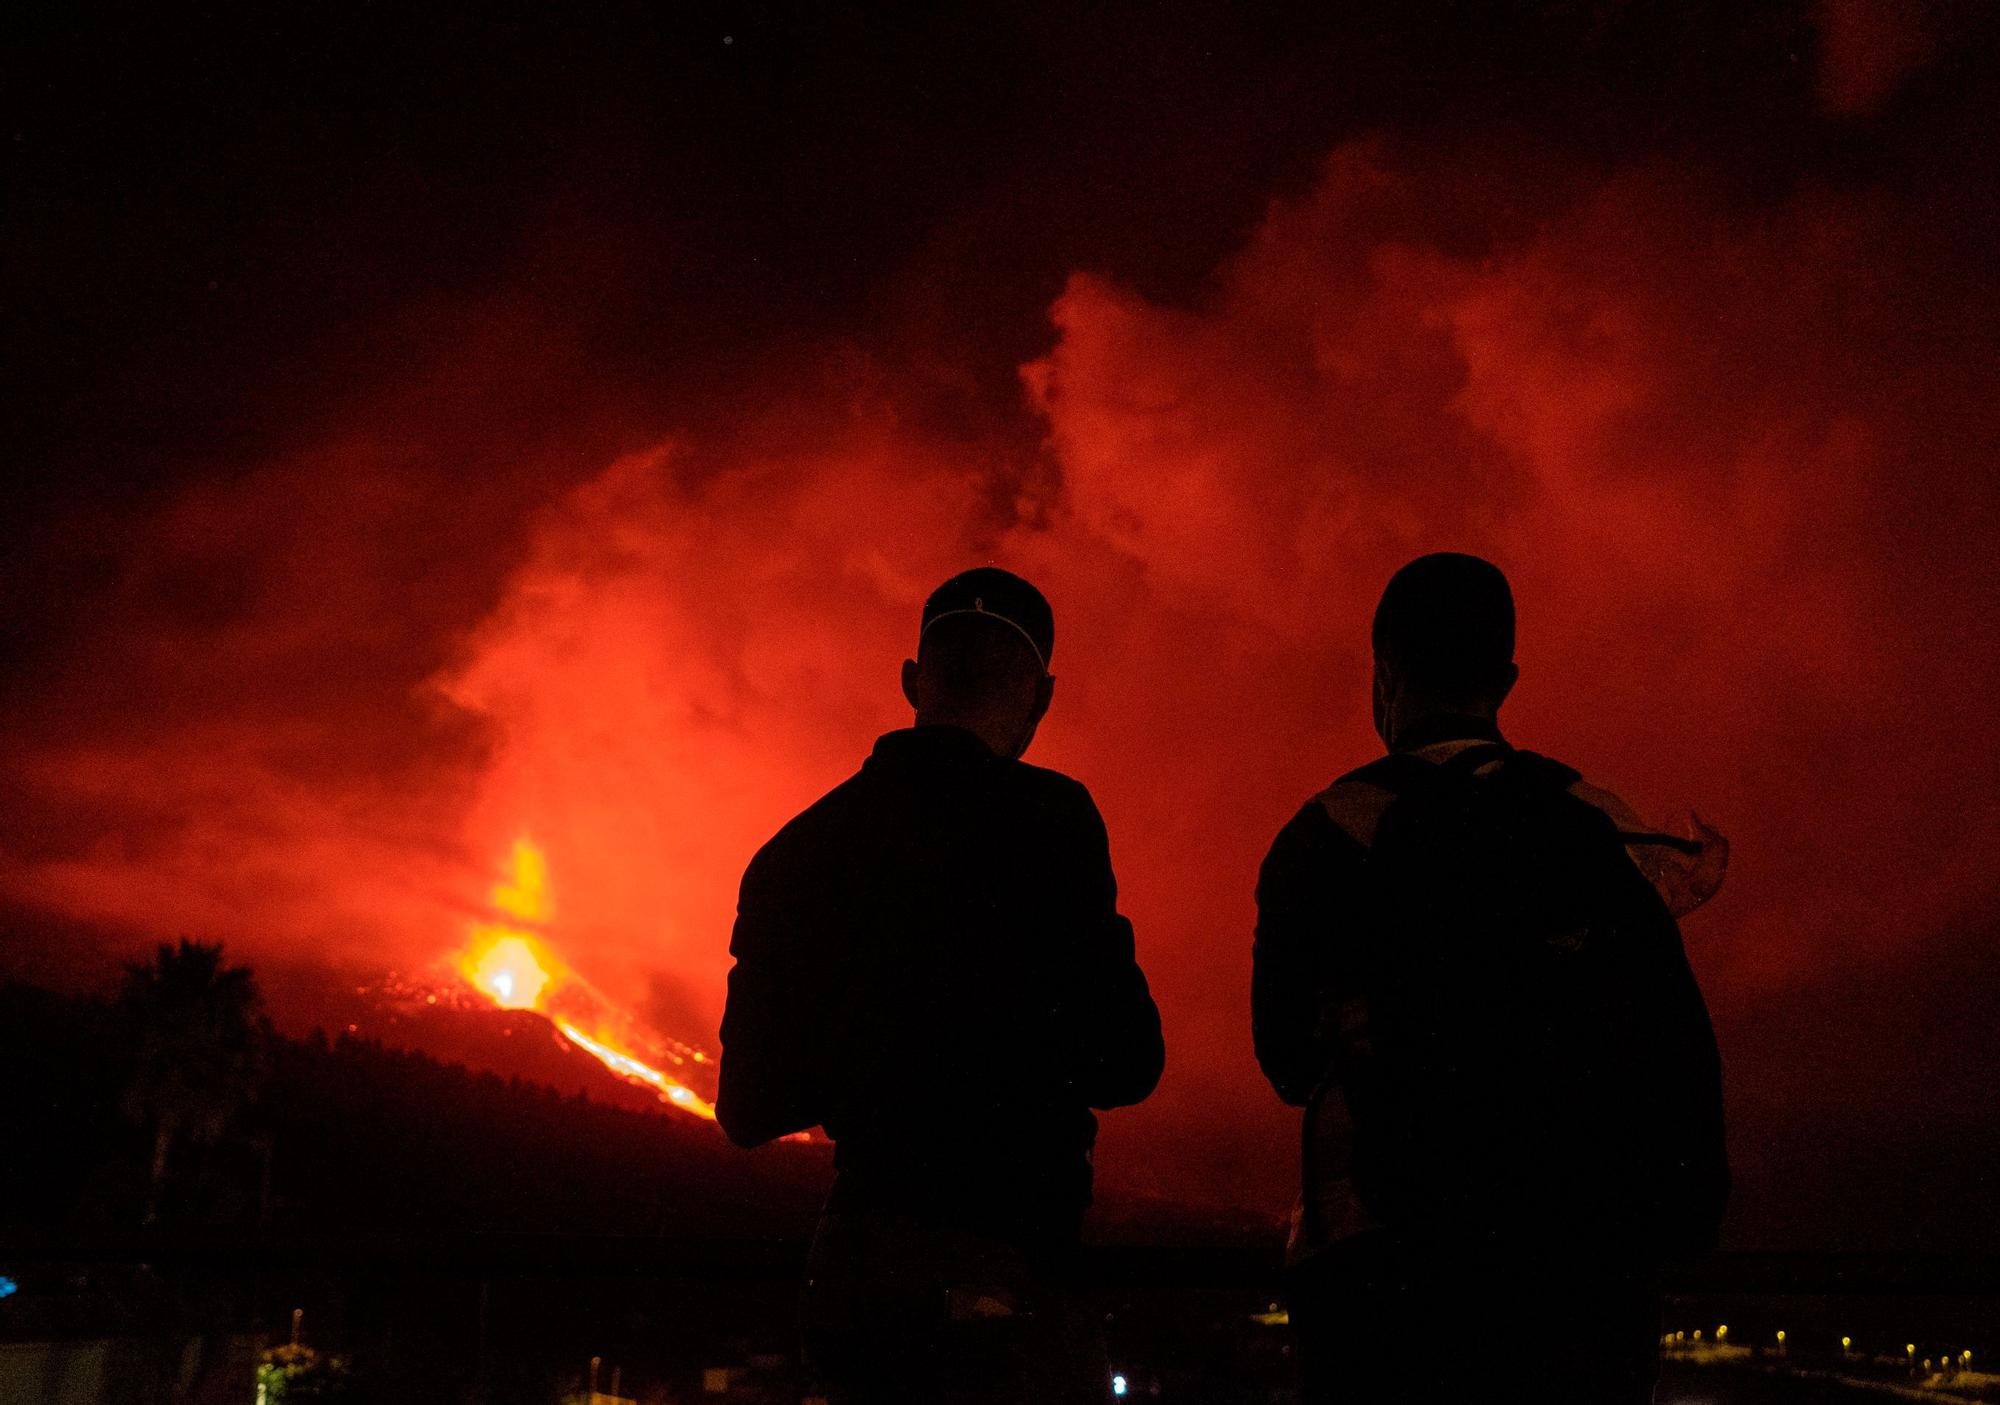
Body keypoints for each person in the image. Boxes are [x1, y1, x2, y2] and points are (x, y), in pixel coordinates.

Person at [1252, 552, 1729, 1404]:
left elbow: (1286, 1059)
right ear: (1505, 677)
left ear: (1383, 672)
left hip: (1387, 1281)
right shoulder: (1599, 826)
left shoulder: (1326, 833)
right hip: (1583, 1286)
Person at [717, 566, 1164, 1405]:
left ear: (913, 681)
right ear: (1043, 698)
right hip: (1004, 1272)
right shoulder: (1053, 824)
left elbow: (748, 1106)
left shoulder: (795, 854)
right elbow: (1128, 1061)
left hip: (855, 1277)